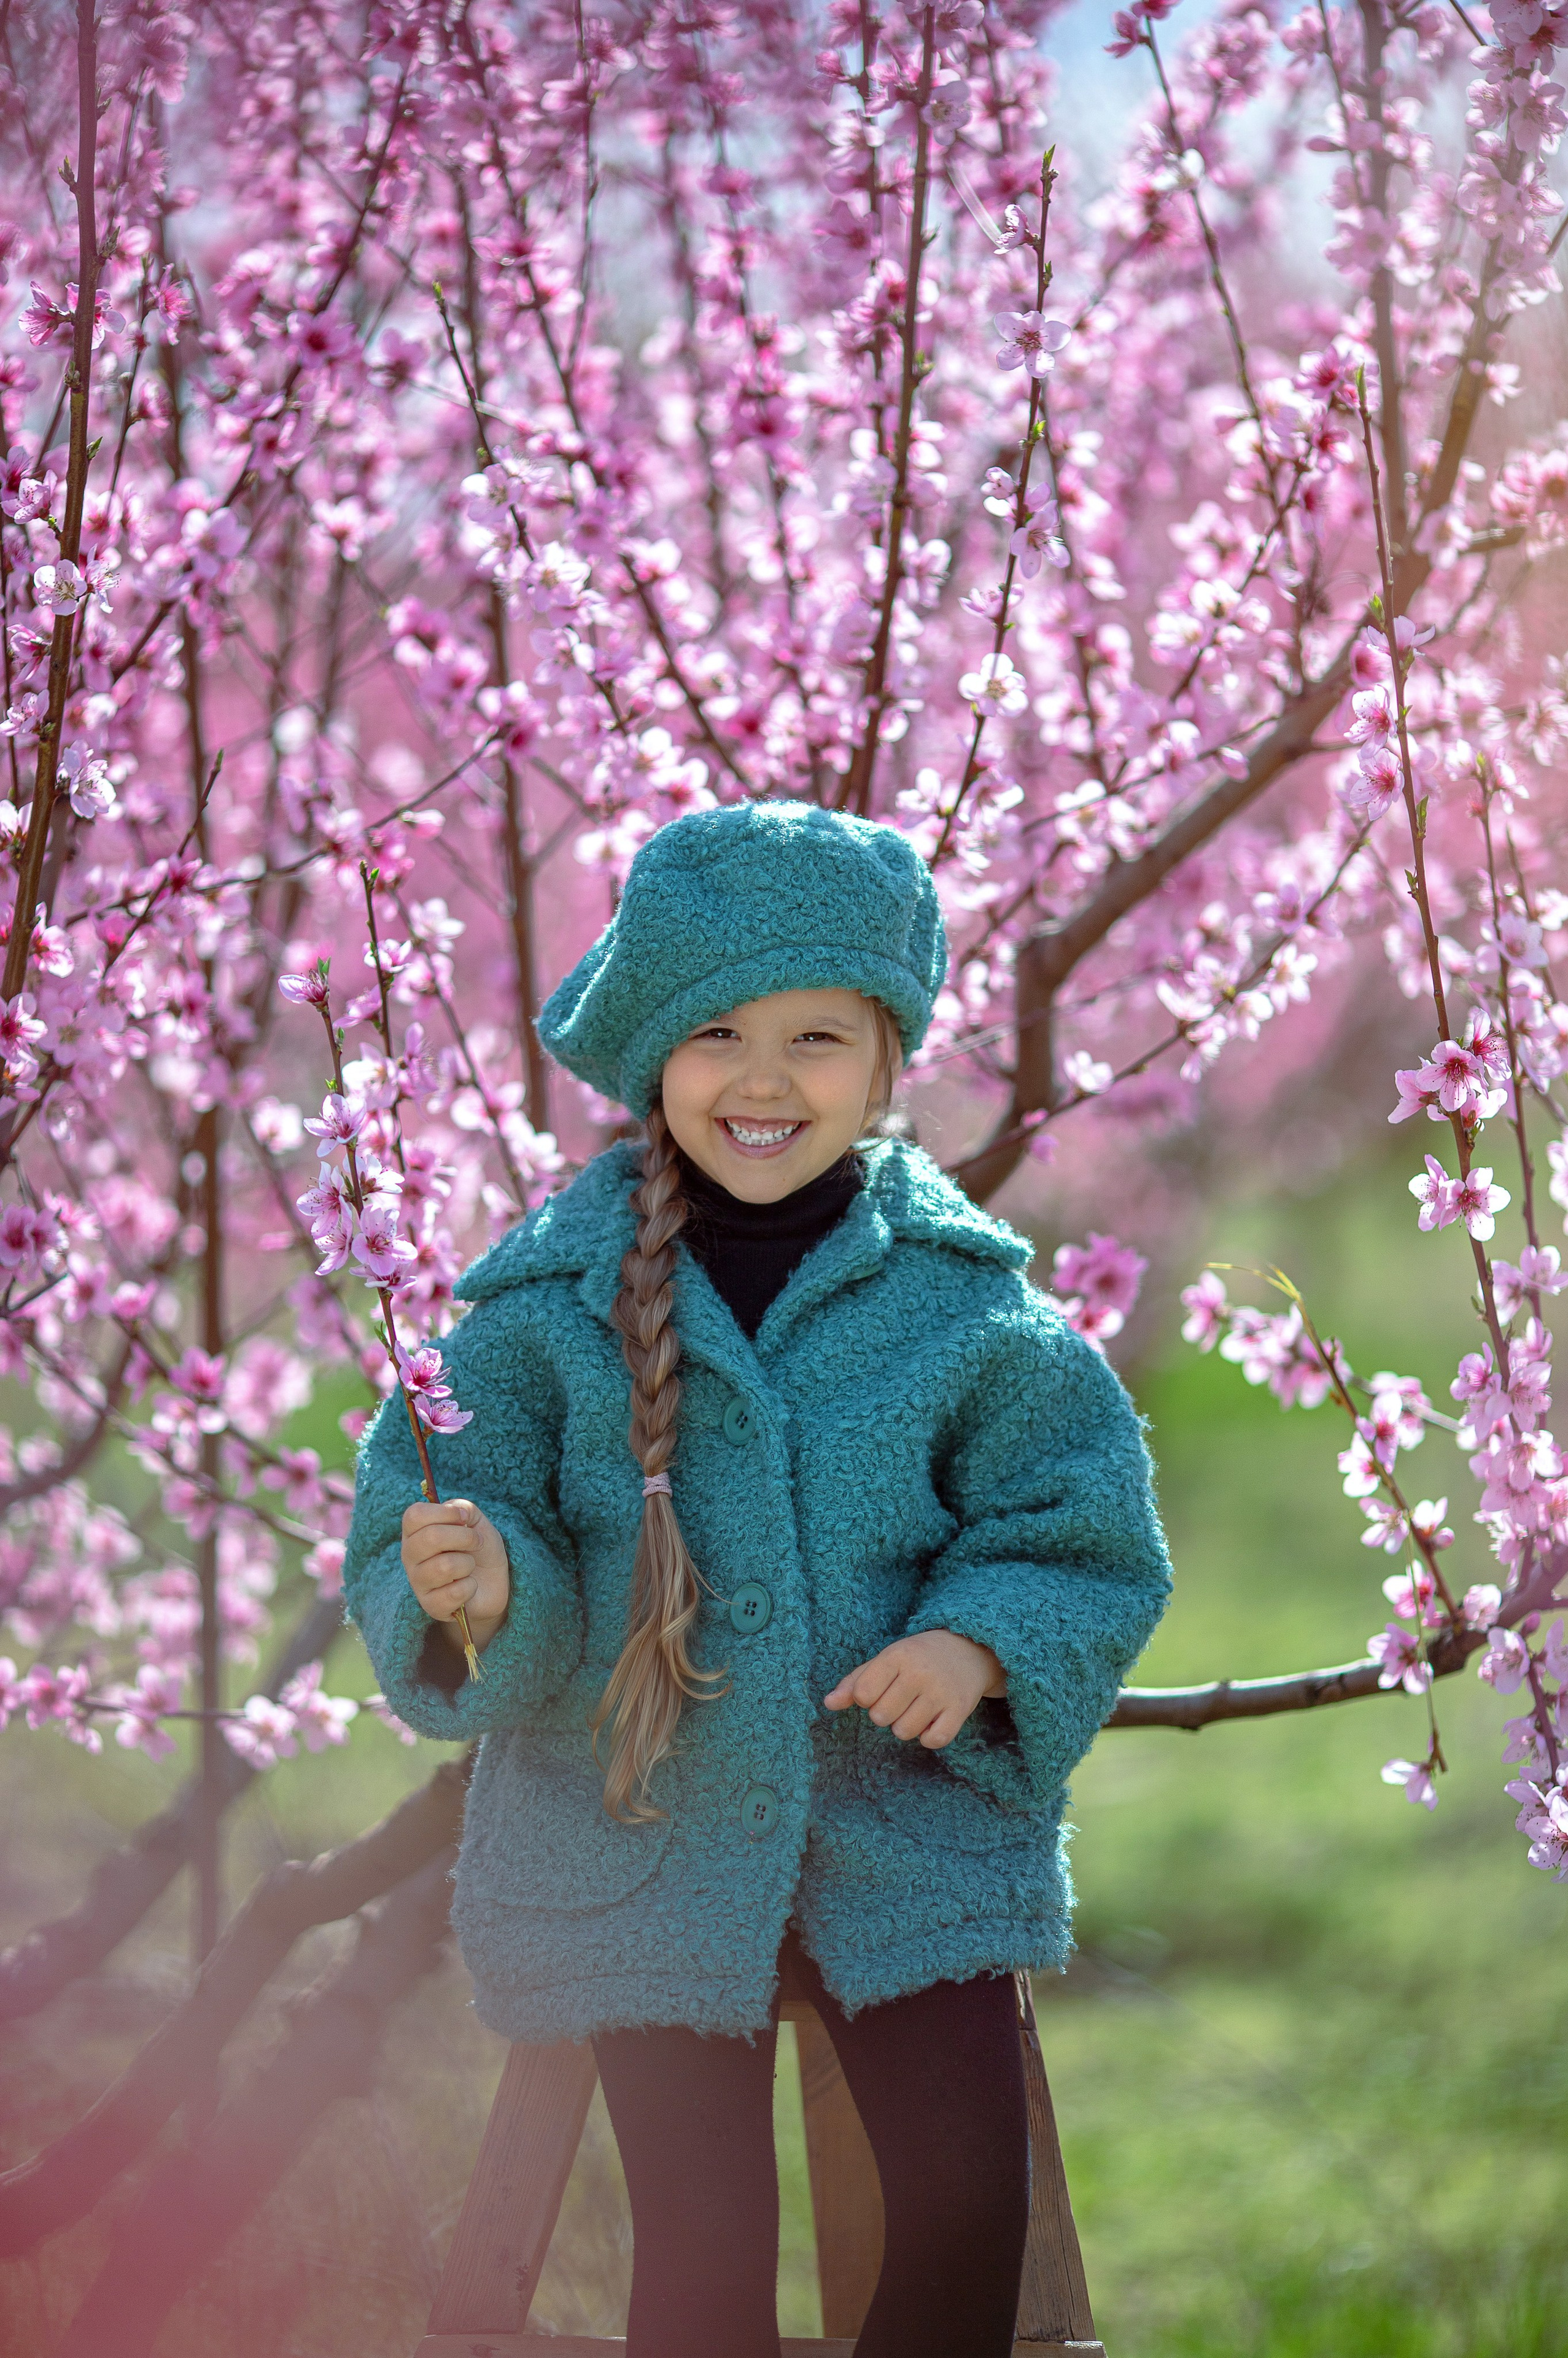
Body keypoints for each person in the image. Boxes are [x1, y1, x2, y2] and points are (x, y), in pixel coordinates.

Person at [341, 799, 1172, 2358]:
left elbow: (1078, 1522)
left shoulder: (960, 1306)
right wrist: (480, 1592)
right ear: (656, 1048)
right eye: (717, 1033)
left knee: (956, 2225)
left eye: (818, 1038)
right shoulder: (545, 1304)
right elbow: (442, 1482)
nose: (766, 1080)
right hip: (644, 1822)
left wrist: (981, 1642)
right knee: (700, 2259)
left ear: (884, 1064)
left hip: (898, 1827)